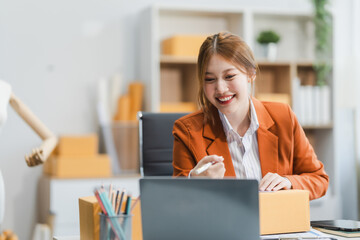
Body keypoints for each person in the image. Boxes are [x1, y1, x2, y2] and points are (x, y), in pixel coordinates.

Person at [172, 32, 328, 200]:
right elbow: (176, 201)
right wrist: (194, 182)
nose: (221, 88)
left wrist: (287, 182)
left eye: (229, 76)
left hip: (279, 225)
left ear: (250, 73)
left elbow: (318, 179)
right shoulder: (187, 131)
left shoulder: (283, 117)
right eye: (210, 79)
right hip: (224, 226)